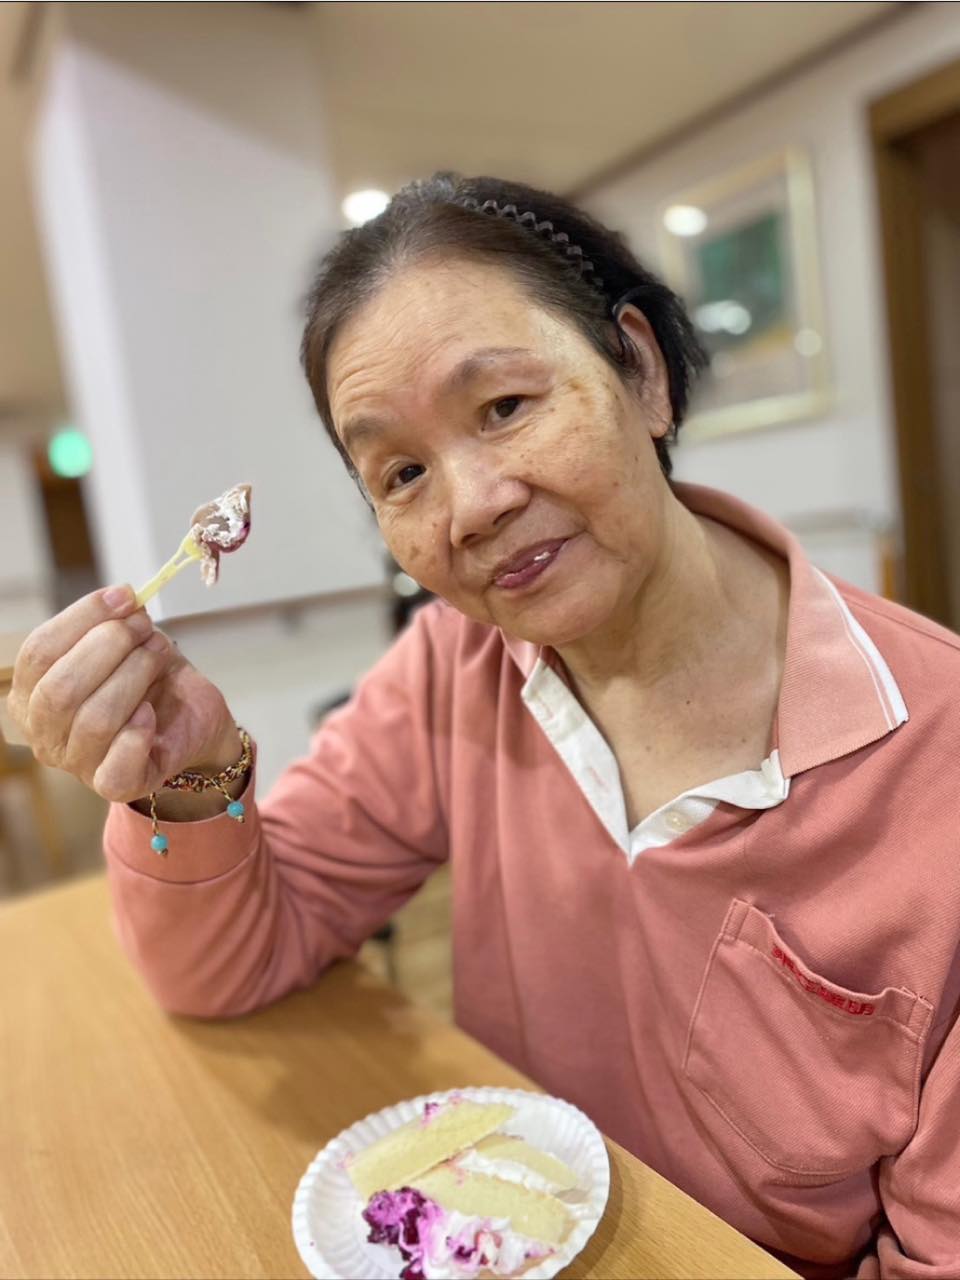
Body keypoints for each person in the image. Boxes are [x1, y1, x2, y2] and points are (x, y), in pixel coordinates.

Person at [7, 173, 960, 1280]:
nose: (470, 507)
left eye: (505, 406)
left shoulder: (935, 765)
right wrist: (191, 779)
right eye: (402, 472)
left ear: (641, 370)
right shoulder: (458, 665)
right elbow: (231, 961)